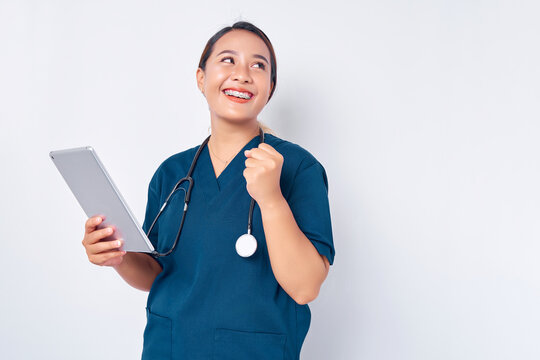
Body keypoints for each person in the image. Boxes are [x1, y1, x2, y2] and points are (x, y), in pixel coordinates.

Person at [81, 21, 335, 360]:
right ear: (201, 79)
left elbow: (305, 287)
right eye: (228, 60)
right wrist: (119, 257)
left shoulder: (297, 168)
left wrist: (271, 200)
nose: (243, 74)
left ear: (269, 88)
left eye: (258, 65)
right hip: (169, 348)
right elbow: (157, 273)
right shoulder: (172, 172)